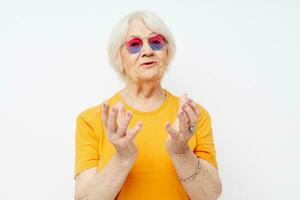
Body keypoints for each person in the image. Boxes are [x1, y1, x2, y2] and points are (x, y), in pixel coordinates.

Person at [74, 10, 222, 200]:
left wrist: (181, 151)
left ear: (167, 52)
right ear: (119, 59)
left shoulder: (192, 116)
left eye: (156, 42)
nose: (147, 51)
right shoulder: (91, 120)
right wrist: (122, 157)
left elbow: (209, 195)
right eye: (134, 45)